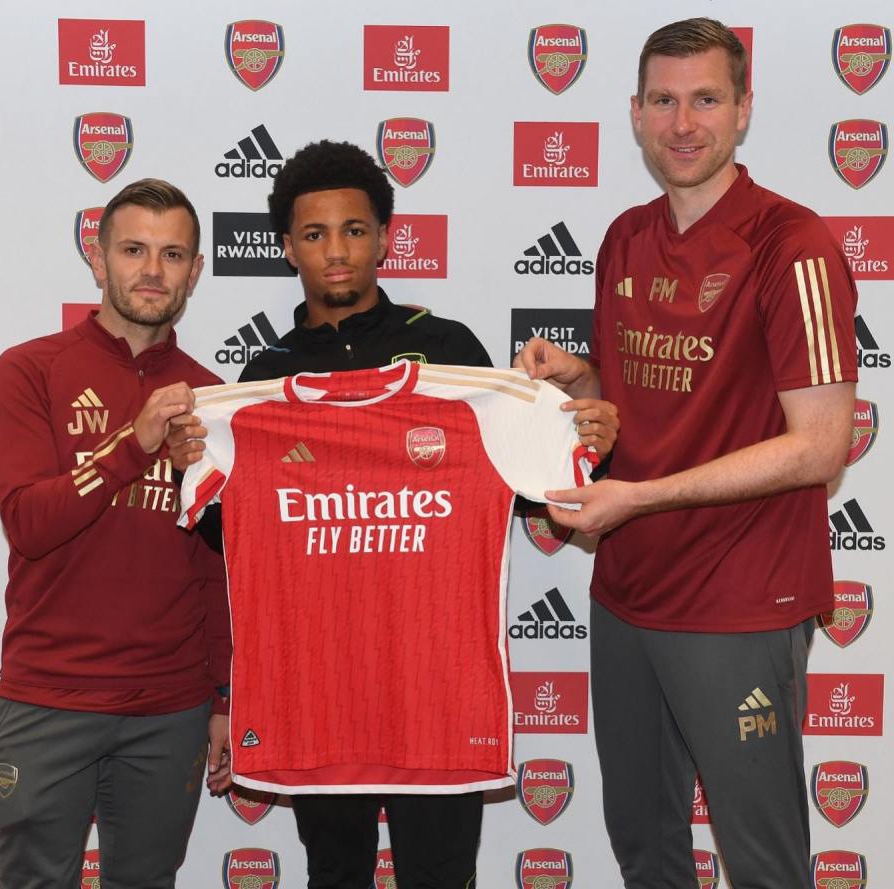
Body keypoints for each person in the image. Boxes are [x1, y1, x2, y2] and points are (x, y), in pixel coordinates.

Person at [169, 140, 617, 889]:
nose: (335, 251)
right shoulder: (262, 381)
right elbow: (234, 539)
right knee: (334, 874)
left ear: (384, 236)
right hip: (319, 695)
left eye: (353, 230)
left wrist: (588, 435)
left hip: (435, 693)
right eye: (314, 235)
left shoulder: (451, 355)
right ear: (287, 247)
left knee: (441, 876)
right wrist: (196, 462)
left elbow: (545, 495)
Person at [516, 18, 857, 889]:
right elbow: (633, 404)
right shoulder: (626, 237)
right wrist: (577, 379)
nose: (683, 123)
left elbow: (818, 447)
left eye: (706, 99)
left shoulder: (795, 245)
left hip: (740, 596)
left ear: (744, 110)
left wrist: (640, 497)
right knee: (646, 845)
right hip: (628, 586)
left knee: (762, 860)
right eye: (663, 101)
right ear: (634, 114)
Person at [0, 179, 232, 889]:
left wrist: (222, 696)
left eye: (173, 253)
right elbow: (30, 523)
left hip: (169, 706)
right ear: (98, 259)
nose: (153, 269)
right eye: (134, 249)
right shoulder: (29, 370)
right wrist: (135, 440)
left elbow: (214, 566)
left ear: (196, 271)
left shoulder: (211, 397)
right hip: (47, 697)